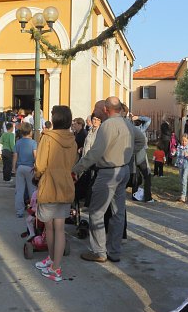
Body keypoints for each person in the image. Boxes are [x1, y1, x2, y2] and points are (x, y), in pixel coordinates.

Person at [73, 97, 134, 263]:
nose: (96, 111)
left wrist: (77, 169)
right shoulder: (127, 123)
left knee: (97, 212)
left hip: (108, 173)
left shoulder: (107, 126)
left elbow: (95, 153)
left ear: (106, 110)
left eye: (98, 109)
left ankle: (99, 252)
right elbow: (141, 140)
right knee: (118, 213)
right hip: (124, 170)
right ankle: (114, 251)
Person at [33, 105, 78, 282]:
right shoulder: (73, 140)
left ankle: (55, 266)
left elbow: (40, 164)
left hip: (49, 183)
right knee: (59, 228)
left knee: (49, 226)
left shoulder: (47, 138)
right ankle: (53, 262)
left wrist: (37, 176)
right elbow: (73, 162)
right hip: (65, 184)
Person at [13, 122, 38, 218]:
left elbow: (15, 156)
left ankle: (19, 211)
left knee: (19, 190)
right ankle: (32, 209)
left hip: (20, 167)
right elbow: (35, 156)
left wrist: (13, 168)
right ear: (30, 132)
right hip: (30, 168)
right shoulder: (33, 143)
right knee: (32, 189)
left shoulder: (18, 142)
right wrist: (37, 167)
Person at [130, 114, 154, 203]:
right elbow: (148, 119)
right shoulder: (141, 129)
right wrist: (138, 117)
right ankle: (148, 197)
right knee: (147, 175)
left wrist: (132, 118)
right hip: (141, 154)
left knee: (135, 174)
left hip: (132, 154)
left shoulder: (130, 128)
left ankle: (134, 195)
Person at [176, 133, 188, 202]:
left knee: (184, 178)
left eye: (185, 141)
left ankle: (183, 195)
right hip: (180, 165)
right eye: (182, 141)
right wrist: (173, 153)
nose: (184, 142)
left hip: (187, 165)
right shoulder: (179, 147)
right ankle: (183, 193)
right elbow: (177, 155)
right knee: (181, 179)